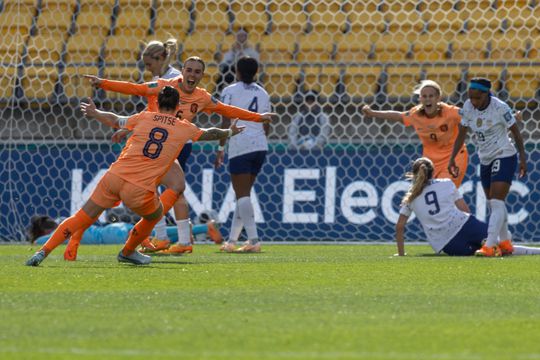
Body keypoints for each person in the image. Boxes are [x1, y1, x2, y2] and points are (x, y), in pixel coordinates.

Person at [79, 56, 277, 256]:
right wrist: (103, 83)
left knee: (162, 187)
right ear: (182, 70)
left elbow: (227, 110)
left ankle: (163, 236)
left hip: (176, 145)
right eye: (189, 70)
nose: (192, 74)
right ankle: (175, 238)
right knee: (172, 188)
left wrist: (257, 117)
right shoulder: (164, 86)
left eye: (197, 72)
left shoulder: (202, 97)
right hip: (160, 142)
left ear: (202, 75)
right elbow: (135, 88)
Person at [26, 86, 245, 266]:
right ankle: (129, 251)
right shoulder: (183, 127)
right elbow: (209, 133)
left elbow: (116, 120)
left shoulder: (144, 117)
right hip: (138, 188)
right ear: (178, 106)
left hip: (113, 177)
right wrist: (229, 132)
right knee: (154, 215)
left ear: (157, 103)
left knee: (82, 216)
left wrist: (95, 113)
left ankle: (43, 252)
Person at [396, 157, 540, 256]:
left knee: (487, 252)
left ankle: (489, 245)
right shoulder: (446, 183)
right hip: (465, 225)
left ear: (414, 174)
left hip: (448, 244)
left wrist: (401, 254)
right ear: (433, 172)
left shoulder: (410, 197)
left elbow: (400, 226)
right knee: (503, 242)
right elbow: (465, 210)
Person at [448, 78, 527, 257]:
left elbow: (515, 131)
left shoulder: (500, 107)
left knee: (496, 201)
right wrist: (452, 157)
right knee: (494, 204)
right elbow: (462, 133)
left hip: (504, 154)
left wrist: (522, 158)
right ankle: (505, 242)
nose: (473, 102)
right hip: (485, 158)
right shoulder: (468, 107)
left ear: (486, 94)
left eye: (477, 98)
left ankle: (490, 245)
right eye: (470, 97)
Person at [361, 80, 469, 188]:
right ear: (420, 99)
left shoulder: (450, 112)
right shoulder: (415, 115)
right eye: (424, 96)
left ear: (438, 98)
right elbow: (398, 116)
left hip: (454, 158)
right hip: (430, 162)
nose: (427, 99)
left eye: (431, 96)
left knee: (443, 192)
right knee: (431, 197)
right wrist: (373, 113)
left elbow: (468, 115)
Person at [214, 57, 270, 253]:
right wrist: (259, 138)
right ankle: (231, 241)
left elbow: (225, 121)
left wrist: (221, 148)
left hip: (240, 144)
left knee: (242, 194)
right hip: (260, 146)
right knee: (242, 194)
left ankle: (254, 241)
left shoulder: (229, 91)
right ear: (256, 72)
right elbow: (267, 123)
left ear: (237, 71)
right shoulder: (263, 93)